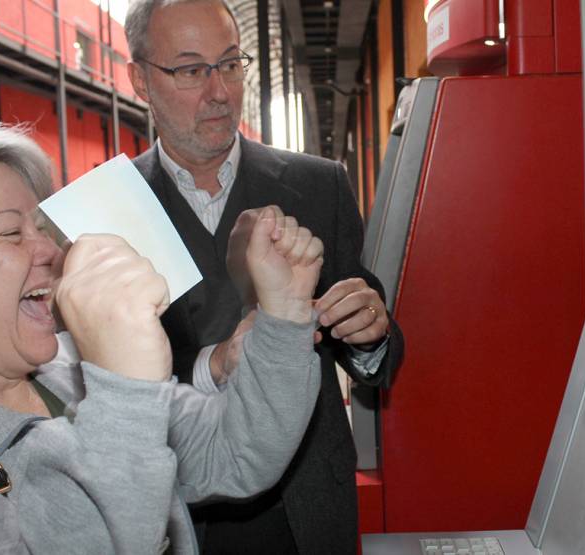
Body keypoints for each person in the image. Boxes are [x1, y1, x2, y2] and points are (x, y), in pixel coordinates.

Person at [0, 123, 327, 553]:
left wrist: (284, 311)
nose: (51, 251)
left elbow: (234, 452)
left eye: (41, 229)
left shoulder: (65, 368)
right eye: (10, 234)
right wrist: (123, 391)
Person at [124, 1, 404, 552]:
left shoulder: (319, 186)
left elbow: (377, 354)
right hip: (177, 516)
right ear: (139, 80)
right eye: (191, 70)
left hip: (305, 509)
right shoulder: (110, 212)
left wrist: (371, 336)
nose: (220, 92)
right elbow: (90, 386)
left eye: (230, 64)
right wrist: (213, 363)